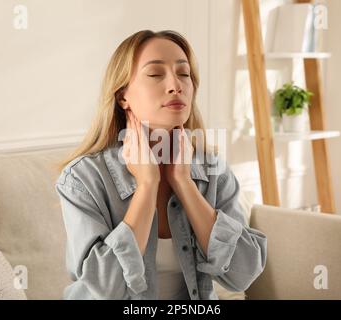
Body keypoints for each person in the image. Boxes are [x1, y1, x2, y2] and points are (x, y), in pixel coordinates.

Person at [55, 30, 267, 300]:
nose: (175, 85)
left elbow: (243, 273)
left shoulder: (213, 171)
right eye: (155, 74)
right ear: (123, 97)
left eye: (184, 73)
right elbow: (106, 289)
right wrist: (147, 185)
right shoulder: (82, 178)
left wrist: (184, 182)